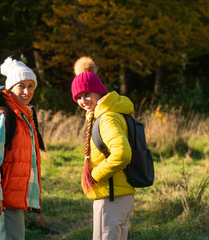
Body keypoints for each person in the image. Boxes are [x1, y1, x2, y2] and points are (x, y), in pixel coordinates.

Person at [0, 56, 45, 240]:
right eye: (21, 86)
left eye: (31, 86)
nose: (27, 91)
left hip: (12, 197)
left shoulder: (23, 116)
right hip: (2, 198)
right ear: (10, 87)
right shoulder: (2, 117)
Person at [71, 56, 135, 240]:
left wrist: (95, 175)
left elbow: (122, 154)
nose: (83, 101)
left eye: (87, 94)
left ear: (99, 91)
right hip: (116, 195)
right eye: (79, 97)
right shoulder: (103, 115)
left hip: (111, 196)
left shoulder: (106, 118)